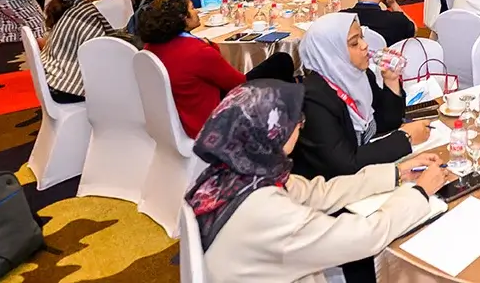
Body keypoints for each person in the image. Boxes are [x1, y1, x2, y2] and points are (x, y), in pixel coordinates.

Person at [192, 80, 448, 283]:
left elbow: (318, 192)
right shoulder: (265, 211)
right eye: (294, 119)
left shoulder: (237, 172)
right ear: (272, 131)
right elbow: (365, 237)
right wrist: (420, 192)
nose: (302, 124)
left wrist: (396, 173)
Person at [292, 12, 434, 181]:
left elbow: (387, 122)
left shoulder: (360, 76)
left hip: (361, 177)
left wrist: (391, 80)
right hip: (327, 188)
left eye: (361, 37)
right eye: (354, 43)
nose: (364, 45)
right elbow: (345, 164)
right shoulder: (313, 98)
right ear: (331, 52)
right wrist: (405, 138)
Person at [140, 0, 295, 137]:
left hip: (173, 119)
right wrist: (210, 47)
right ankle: (286, 125)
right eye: (192, 9)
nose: (197, 13)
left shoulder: (149, 48)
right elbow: (237, 83)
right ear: (183, 18)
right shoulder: (197, 51)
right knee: (281, 61)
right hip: (206, 122)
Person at [41, 0, 130, 103]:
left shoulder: (69, 7)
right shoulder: (86, 14)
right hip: (68, 87)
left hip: (53, 78)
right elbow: (99, 53)